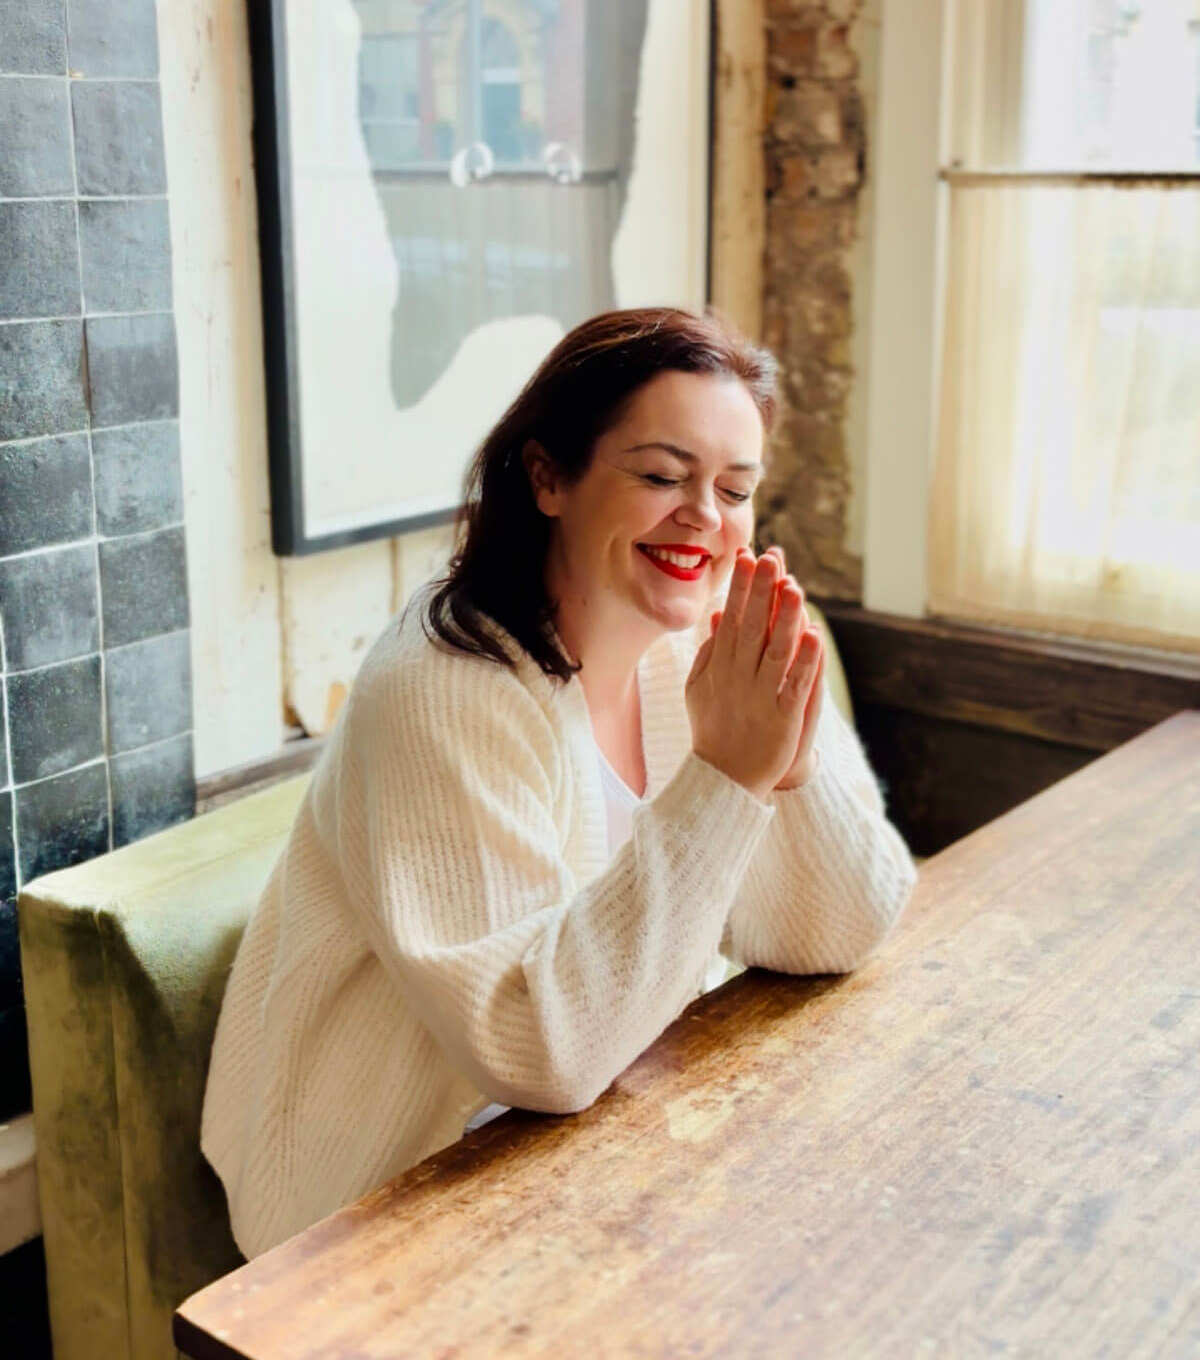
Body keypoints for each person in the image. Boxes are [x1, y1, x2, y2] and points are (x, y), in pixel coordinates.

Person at [201, 307, 918, 1258]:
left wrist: (786, 766)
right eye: (661, 476)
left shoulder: (712, 638)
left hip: (603, 1132)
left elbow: (844, 926)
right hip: (385, 1194)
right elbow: (535, 1049)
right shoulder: (442, 688)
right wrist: (726, 778)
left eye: (735, 488)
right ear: (547, 476)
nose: (705, 517)